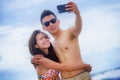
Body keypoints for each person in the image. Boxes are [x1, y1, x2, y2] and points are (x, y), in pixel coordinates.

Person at [32, 1, 92, 80]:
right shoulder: (50, 45)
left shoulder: (70, 32)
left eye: (53, 21)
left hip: (81, 76)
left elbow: (78, 27)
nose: (51, 24)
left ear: (58, 21)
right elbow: (46, 62)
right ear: (44, 28)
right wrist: (33, 61)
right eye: (47, 23)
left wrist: (77, 14)